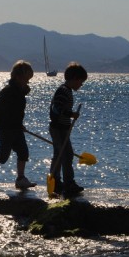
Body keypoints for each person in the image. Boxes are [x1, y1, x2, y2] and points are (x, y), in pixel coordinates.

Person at [0, 60, 37, 189]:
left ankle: (21, 178)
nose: (28, 82)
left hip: (16, 128)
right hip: (6, 128)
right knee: (3, 154)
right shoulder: (7, 91)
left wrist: (20, 124)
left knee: (23, 152)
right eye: (26, 79)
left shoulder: (20, 91)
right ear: (18, 77)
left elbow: (17, 112)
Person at [49, 62, 88, 196]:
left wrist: (69, 116)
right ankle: (56, 181)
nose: (81, 85)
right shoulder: (63, 91)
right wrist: (71, 114)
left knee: (68, 154)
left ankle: (67, 182)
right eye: (81, 82)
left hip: (64, 128)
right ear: (75, 78)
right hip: (58, 128)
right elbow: (56, 108)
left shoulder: (67, 91)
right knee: (59, 155)